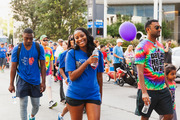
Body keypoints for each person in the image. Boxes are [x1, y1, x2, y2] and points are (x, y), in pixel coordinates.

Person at [135, 19, 173, 120]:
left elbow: (162, 67)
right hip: (148, 89)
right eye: (156, 27)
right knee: (145, 117)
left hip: (162, 88)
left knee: (169, 115)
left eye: (160, 27)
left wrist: (167, 86)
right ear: (148, 29)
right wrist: (144, 92)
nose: (159, 29)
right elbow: (140, 72)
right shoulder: (141, 47)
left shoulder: (160, 45)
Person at [65, 27, 104, 120]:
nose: (80, 39)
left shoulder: (97, 53)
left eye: (82, 36)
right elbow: (72, 77)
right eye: (76, 37)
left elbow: (99, 77)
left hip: (93, 94)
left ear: (87, 35)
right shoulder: (71, 53)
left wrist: (100, 96)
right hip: (75, 94)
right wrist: (87, 62)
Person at [8, 28, 46, 120]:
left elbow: (43, 65)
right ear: (22, 37)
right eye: (26, 38)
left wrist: (43, 82)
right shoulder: (17, 49)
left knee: (36, 105)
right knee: (23, 105)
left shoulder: (38, 47)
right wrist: (11, 84)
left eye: (31, 38)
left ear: (33, 37)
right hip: (22, 80)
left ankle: (32, 116)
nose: (29, 40)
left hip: (35, 80)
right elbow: (13, 67)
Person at [58, 35, 75, 120]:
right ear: (69, 41)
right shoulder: (64, 54)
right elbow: (61, 69)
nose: (74, 41)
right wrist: (65, 79)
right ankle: (61, 115)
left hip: (78, 81)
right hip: (68, 80)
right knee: (70, 102)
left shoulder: (81, 52)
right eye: (72, 39)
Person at [40, 35, 57, 109]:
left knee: (49, 86)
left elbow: (51, 60)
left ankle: (50, 101)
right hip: (39, 72)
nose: (46, 41)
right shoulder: (38, 49)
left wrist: (52, 70)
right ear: (40, 41)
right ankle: (37, 101)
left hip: (48, 72)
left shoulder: (50, 49)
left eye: (47, 40)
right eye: (44, 40)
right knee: (39, 86)